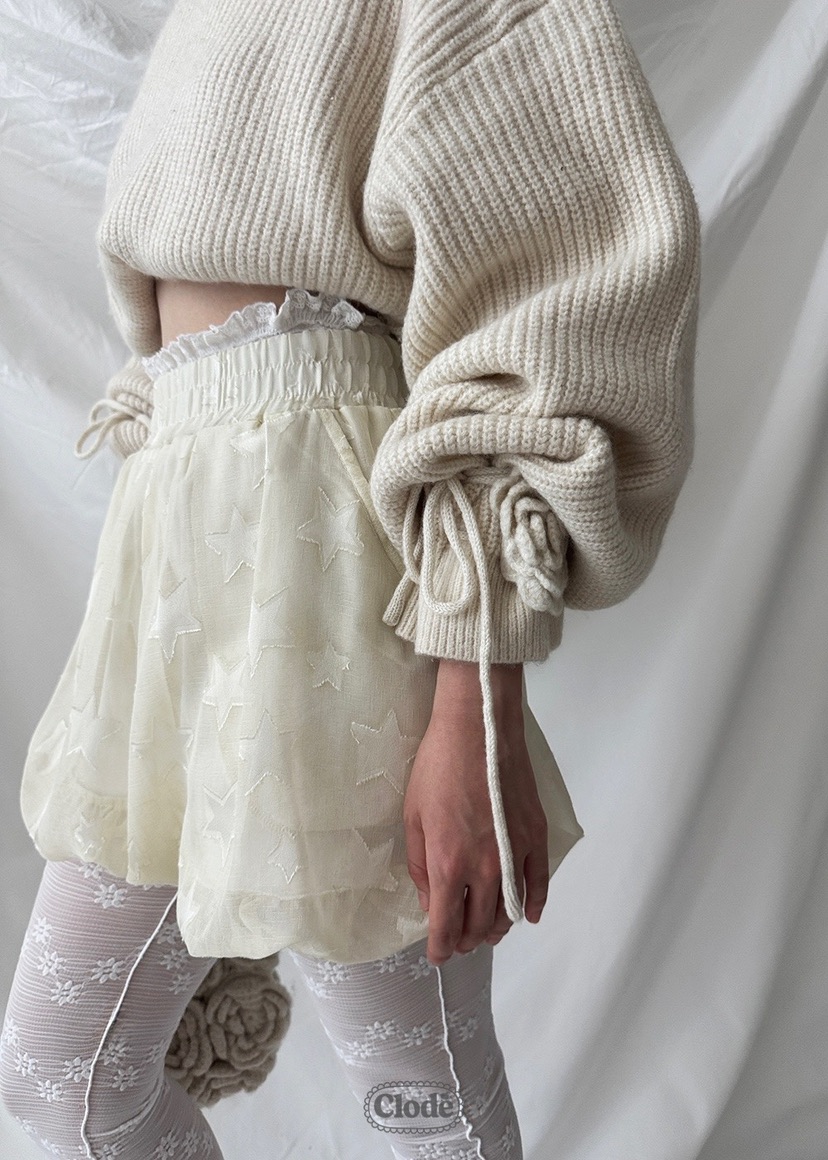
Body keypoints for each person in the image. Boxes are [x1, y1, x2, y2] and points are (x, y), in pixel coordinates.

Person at [0, 0, 702, 1156]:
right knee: (65, 1071)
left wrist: (473, 706)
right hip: (185, 562)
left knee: (421, 1096)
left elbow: (548, 319)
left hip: (334, 561)